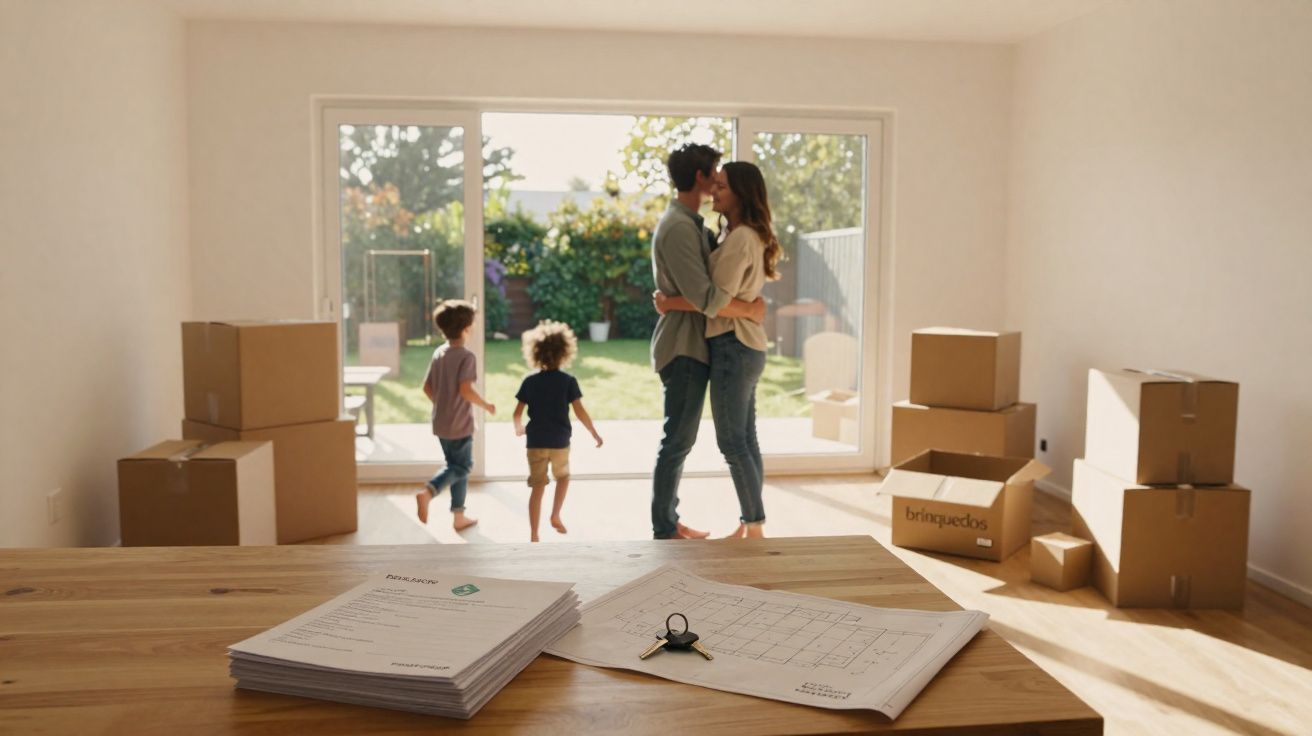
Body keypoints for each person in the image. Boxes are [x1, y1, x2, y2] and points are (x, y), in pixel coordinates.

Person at [656, 161, 783, 539]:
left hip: (732, 344)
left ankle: (754, 525)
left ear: (742, 194)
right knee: (745, 438)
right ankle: (752, 524)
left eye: (723, 187)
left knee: (732, 441)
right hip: (746, 345)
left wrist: (669, 302)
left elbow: (714, 300)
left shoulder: (741, 238)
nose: (714, 191)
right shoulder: (740, 235)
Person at [513, 320, 603, 543]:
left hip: (535, 443)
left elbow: (517, 413)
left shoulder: (530, 381)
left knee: (537, 487)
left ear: (534, 352)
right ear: (565, 352)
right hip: (560, 442)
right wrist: (593, 431)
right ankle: (555, 514)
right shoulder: (568, 381)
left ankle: (534, 535)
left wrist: (518, 427)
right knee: (563, 477)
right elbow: (580, 411)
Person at [415, 299, 495, 531]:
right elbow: (466, 390)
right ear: (466, 328)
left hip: (441, 422)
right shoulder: (466, 357)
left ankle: (458, 517)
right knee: (463, 467)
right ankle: (429, 492)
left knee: (455, 467)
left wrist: (443, 405)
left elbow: (427, 387)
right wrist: (486, 404)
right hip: (459, 425)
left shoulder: (439, 352)